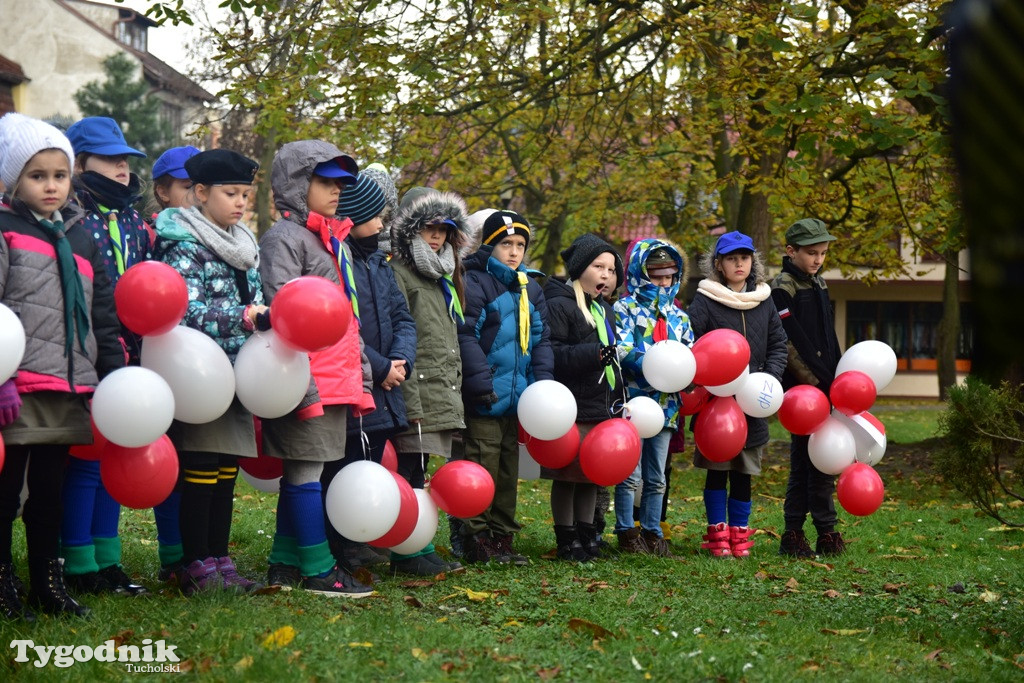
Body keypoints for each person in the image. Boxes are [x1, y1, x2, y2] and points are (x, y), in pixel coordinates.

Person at [0, 113, 124, 619]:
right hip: (19, 387)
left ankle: (47, 584)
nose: (51, 186)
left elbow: (103, 316)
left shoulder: (81, 236)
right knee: (7, 494)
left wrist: (111, 377)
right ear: (13, 179)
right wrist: (1, 378)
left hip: (68, 384)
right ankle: (2, 582)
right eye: (37, 176)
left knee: (49, 494)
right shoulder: (4, 230)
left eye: (60, 175)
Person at [258, 140, 376, 597]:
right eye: (324, 182)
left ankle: (284, 563)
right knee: (305, 471)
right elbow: (285, 313)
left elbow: (344, 317)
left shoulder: (329, 239)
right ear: (296, 184)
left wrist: (359, 374)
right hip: (305, 379)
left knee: (307, 468)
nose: (335, 191)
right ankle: (318, 569)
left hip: (333, 378)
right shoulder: (285, 238)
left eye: (340, 184)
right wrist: (303, 385)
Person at [153, 148, 266, 595]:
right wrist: (247, 317)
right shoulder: (183, 244)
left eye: (245, 194)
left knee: (225, 472)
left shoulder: (243, 244)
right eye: (230, 193)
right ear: (200, 193)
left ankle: (220, 560)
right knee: (200, 470)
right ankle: (193, 564)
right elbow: (184, 310)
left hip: (239, 375)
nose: (240, 202)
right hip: (200, 375)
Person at [59, 116, 150, 596]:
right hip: (85, 347)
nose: (121, 167)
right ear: (79, 163)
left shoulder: (134, 219)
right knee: (86, 455)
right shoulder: (73, 215)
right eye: (110, 159)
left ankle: (107, 558)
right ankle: (76, 559)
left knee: (114, 449)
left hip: (130, 350)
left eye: (125, 159)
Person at [458, 209, 554, 565]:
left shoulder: (529, 286)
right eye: (505, 244)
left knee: (507, 469)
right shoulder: (476, 281)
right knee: (482, 463)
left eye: (520, 245)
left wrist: (541, 386)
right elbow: (466, 334)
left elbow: (542, 341)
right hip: (487, 393)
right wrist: (481, 383)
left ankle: (501, 535)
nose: (514, 252)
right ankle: (475, 534)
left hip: (518, 396)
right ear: (489, 244)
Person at [688, 231, 787, 558]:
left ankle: (739, 534)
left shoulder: (764, 298)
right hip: (716, 404)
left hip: (752, 402)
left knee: (744, 471)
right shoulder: (705, 299)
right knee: (717, 470)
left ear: (752, 261)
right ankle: (717, 534)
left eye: (744, 257)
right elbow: (693, 346)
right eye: (731, 258)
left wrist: (767, 381)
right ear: (718, 264)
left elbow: (777, 345)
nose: (739, 263)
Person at [388, 186, 470, 572]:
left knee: (420, 472)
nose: (436, 235)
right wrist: (412, 404)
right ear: (408, 229)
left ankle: (418, 545)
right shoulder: (399, 273)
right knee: (410, 474)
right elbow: (400, 341)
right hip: (414, 390)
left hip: (439, 388)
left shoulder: (444, 276)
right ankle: (408, 550)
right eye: (427, 227)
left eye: (444, 228)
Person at [541, 233, 625, 561]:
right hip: (572, 406)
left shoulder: (604, 311)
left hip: (599, 406)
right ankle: (567, 539)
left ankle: (588, 536)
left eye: (612, 269)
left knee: (591, 475)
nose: (606, 274)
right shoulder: (560, 304)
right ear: (579, 269)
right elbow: (556, 353)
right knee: (568, 475)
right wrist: (593, 354)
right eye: (598, 266)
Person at [770, 218, 846, 557]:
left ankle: (827, 532)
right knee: (804, 461)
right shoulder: (782, 287)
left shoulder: (819, 283)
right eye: (812, 253)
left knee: (825, 458)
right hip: (803, 392)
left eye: (823, 253)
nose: (818, 260)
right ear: (791, 251)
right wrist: (817, 383)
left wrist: (839, 374)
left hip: (829, 385)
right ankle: (794, 533)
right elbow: (789, 343)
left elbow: (828, 337)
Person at [613, 239, 692, 556]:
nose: (663, 282)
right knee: (630, 475)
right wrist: (651, 361)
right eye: (656, 275)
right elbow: (620, 348)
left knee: (657, 477)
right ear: (640, 273)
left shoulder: (679, 317)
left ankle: (652, 532)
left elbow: (688, 355)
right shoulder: (625, 309)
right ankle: (625, 532)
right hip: (635, 404)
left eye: (669, 276)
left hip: (667, 408)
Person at [146, 145, 200, 584]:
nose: (195, 197)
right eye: (186, 187)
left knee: (200, 461)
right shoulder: (156, 239)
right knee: (172, 458)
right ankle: (173, 555)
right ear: (162, 192)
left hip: (207, 369)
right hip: (165, 363)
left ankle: (195, 551)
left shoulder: (221, 237)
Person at [150, 145, 200, 213]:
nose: (200, 193)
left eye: (206, 186)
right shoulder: (155, 223)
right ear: (163, 193)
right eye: (189, 187)